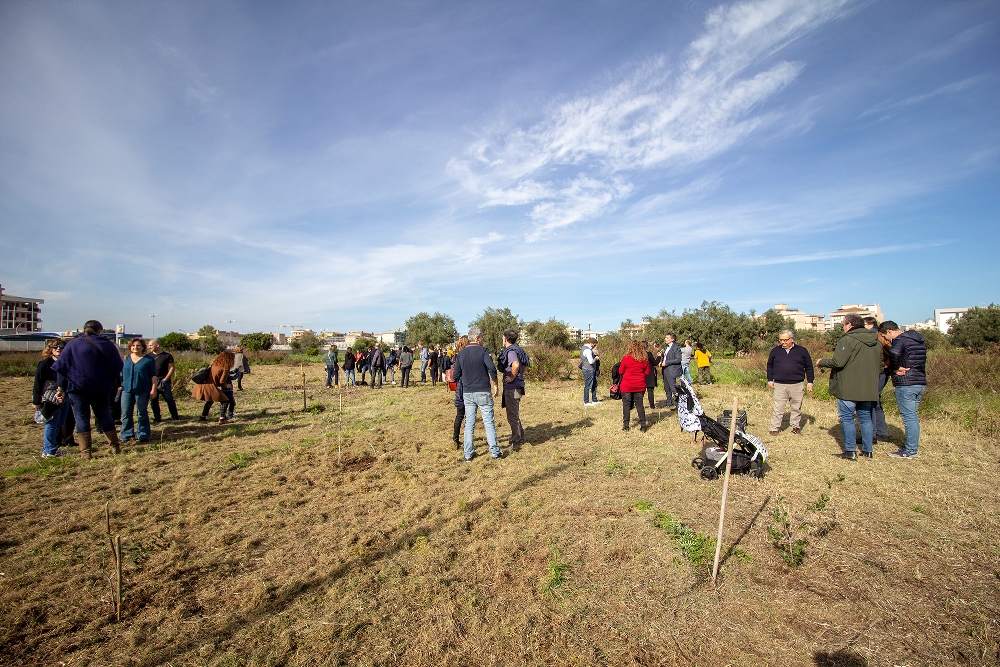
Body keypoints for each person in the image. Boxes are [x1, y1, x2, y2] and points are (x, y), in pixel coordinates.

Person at [51, 320, 124, 460]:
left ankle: (86, 453)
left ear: (84, 330)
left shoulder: (73, 344)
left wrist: (61, 387)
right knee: (104, 415)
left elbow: (61, 367)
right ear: (99, 331)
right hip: (100, 387)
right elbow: (118, 366)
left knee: (81, 418)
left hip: (76, 388)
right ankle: (115, 447)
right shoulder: (107, 344)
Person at [817, 314, 882, 460]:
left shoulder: (847, 339)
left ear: (850, 325)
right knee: (865, 418)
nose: (843, 328)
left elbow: (838, 362)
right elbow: (880, 366)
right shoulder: (876, 341)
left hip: (848, 387)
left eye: (844, 325)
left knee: (847, 418)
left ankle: (850, 451)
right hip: (868, 387)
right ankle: (867, 450)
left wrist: (822, 362)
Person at [452, 326, 503, 461]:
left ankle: (468, 454)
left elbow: (455, 374)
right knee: (488, 422)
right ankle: (495, 452)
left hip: (468, 393)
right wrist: (496, 384)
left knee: (469, 423)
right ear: (476, 338)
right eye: (482, 336)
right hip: (483, 391)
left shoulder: (461, 354)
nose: (483, 339)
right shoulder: (484, 351)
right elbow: (491, 368)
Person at [878, 321, 927, 459]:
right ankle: (912, 447)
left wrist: (896, 368)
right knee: (913, 416)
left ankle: (910, 450)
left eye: (885, 337)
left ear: (889, 331)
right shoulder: (917, 340)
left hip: (906, 383)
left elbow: (893, 353)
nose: (887, 341)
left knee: (909, 417)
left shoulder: (899, 340)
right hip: (920, 381)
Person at [766, 329, 814, 436]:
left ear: (792, 339)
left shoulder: (802, 351)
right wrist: (770, 380)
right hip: (779, 384)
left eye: (785, 340)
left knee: (796, 407)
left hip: (797, 384)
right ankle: (774, 428)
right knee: (778, 407)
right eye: (781, 340)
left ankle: (795, 427)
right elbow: (770, 365)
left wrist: (810, 382)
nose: (783, 342)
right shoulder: (775, 351)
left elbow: (809, 367)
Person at [31, 338, 71, 458]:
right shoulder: (45, 363)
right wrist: (36, 401)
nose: (58, 349)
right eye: (55, 347)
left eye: (61, 347)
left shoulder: (66, 362)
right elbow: (38, 382)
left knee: (60, 422)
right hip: (50, 396)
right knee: (52, 423)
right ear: (50, 350)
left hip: (64, 395)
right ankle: (48, 450)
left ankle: (52, 447)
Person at [120, 338, 158, 443]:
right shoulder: (126, 358)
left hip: (142, 390)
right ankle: (126, 434)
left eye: (138, 345)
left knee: (142, 413)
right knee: (126, 413)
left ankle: (143, 434)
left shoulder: (148, 359)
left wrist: (153, 389)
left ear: (142, 347)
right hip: (127, 390)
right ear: (130, 347)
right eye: (133, 345)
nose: (135, 347)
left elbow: (153, 376)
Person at [498, 328, 528, 451]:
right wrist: (520, 375)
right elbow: (524, 365)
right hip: (518, 386)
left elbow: (515, 364)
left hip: (512, 387)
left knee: (512, 415)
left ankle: (517, 441)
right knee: (514, 413)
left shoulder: (510, 352)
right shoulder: (519, 349)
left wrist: (511, 377)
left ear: (505, 339)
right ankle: (520, 436)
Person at [865, 316, 890, 442]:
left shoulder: (874, 336)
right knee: (876, 402)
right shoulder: (880, 336)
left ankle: (872, 434)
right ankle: (882, 432)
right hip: (884, 370)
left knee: (871, 401)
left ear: (870, 325)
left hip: (879, 371)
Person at [192, 351, 236, 424]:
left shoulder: (213, 365)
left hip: (203, 385)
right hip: (210, 386)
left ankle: (203, 417)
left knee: (210, 400)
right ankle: (222, 419)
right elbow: (222, 381)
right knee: (225, 401)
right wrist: (227, 386)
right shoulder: (225, 367)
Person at [619, 340, 650, 431]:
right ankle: (643, 426)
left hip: (627, 384)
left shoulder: (626, 358)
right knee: (639, 404)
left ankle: (626, 426)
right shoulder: (644, 359)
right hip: (640, 385)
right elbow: (647, 372)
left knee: (626, 405)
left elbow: (620, 371)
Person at [149, 339, 180, 422]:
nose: (149, 347)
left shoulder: (167, 356)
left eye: (151, 345)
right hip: (152, 382)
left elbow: (172, 368)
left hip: (163, 381)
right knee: (154, 401)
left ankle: (175, 416)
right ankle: (157, 418)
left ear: (157, 345)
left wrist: (165, 379)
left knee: (169, 399)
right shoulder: (148, 356)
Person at [451, 336, 469, 448]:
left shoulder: (456, 356)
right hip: (466, 385)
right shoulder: (465, 355)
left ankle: (455, 438)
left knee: (460, 415)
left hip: (459, 387)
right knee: (468, 415)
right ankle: (466, 438)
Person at [659, 333, 682, 408]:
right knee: (666, 387)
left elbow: (678, 359)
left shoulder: (676, 347)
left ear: (672, 339)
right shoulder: (666, 347)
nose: (665, 339)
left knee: (673, 387)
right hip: (665, 369)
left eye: (667, 338)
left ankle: (679, 404)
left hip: (671, 369)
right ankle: (669, 402)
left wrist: (666, 363)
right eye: (665, 337)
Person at [581, 337, 600, 405]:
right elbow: (591, 361)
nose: (594, 346)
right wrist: (596, 358)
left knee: (594, 384)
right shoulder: (588, 350)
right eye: (594, 344)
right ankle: (586, 401)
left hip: (589, 369)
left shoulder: (584, 348)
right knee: (588, 385)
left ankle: (594, 400)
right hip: (588, 369)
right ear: (591, 343)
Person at [643, 341, 658, 411]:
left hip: (641, 374)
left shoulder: (638, 354)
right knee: (650, 391)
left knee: (640, 392)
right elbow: (655, 363)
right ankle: (652, 406)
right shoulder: (648, 354)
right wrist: (659, 356)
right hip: (649, 374)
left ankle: (638, 404)